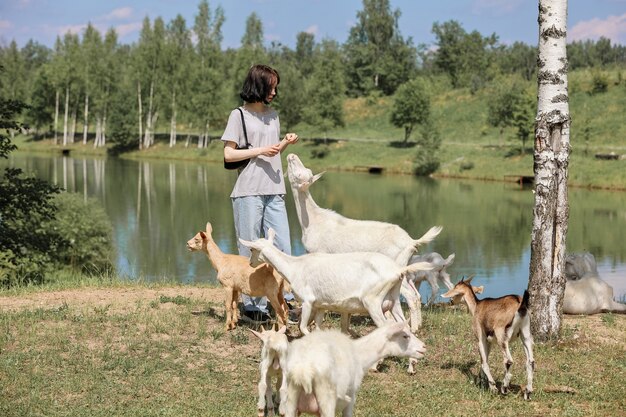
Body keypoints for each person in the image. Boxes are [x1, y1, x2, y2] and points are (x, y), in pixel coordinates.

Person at [221, 64, 299, 323]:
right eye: (271, 86)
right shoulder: (238, 116)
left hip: (275, 189)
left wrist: (284, 143)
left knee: (282, 247)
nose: (275, 92)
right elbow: (228, 154)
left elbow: (272, 153)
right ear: (259, 85)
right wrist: (258, 150)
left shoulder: (273, 115)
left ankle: (283, 299)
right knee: (251, 251)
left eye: (276, 87)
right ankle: (253, 305)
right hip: (248, 191)